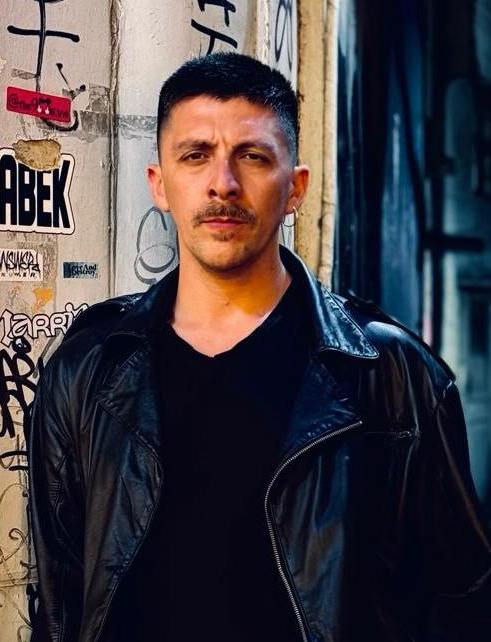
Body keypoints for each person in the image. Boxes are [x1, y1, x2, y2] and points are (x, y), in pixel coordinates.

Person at [28, 52, 491, 642]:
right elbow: (61, 601)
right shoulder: (88, 367)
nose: (223, 183)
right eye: (196, 155)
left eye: (252, 156)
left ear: (295, 188)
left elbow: (460, 601)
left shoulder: (394, 375)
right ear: (160, 184)